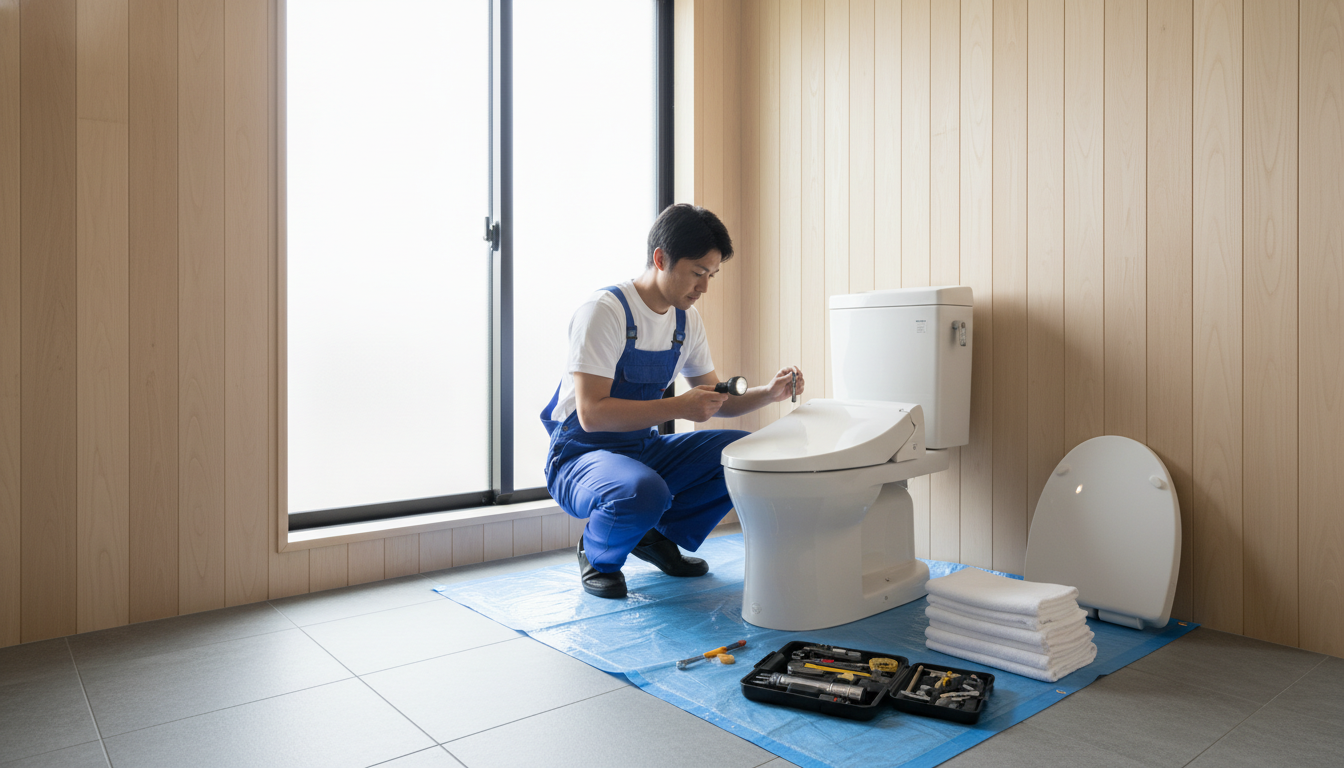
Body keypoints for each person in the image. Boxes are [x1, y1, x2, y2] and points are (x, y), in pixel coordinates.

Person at [540, 204, 806, 598]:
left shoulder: (686, 321)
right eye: (698, 273)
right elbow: (592, 414)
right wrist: (678, 407)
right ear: (661, 259)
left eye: (711, 275)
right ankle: (598, 555)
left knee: (742, 454)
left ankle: (650, 534)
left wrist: (769, 393)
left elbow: (718, 399)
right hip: (579, 454)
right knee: (642, 491)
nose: (704, 287)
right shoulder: (605, 312)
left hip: (639, 448)